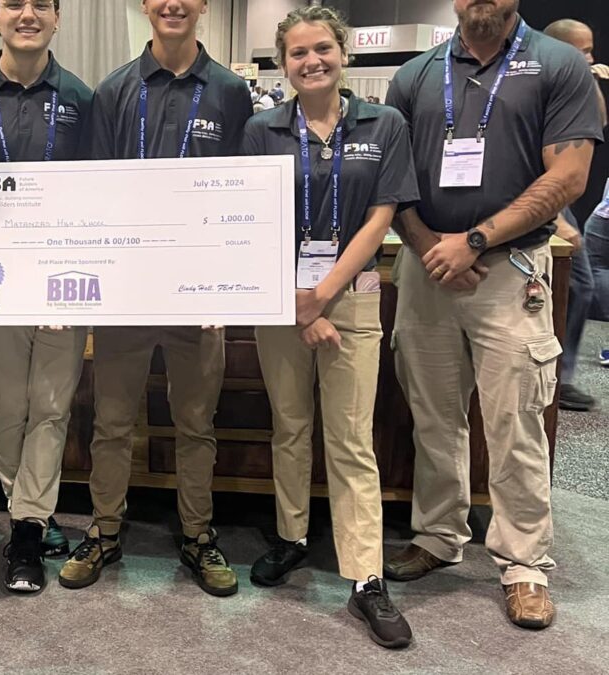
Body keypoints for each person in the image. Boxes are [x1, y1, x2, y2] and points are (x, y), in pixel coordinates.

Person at [383, 0, 602, 629]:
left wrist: (474, 241)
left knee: (515, 422)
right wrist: (431, 248)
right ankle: (438, 535)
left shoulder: (558, 65)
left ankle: (524, 564)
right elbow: (394, 176)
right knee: (432, 415)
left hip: (510, 273)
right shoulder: (417, 74)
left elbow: (570, 175)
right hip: (427, 271)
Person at [57, 0, 252, 598]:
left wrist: (231, 283)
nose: (174, 4)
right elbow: (93, 191)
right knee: (111, 421)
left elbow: (245, 191)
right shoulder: (113, 91)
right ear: (145, 5)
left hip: (199, 293)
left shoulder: (229, 91)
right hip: (127, 290)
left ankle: (197, 533)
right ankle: (106, 528)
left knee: (197, 422)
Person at [242, 5, 418, 649]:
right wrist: (296, 301)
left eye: (322, 49)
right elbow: (250, 220)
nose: (311, 61)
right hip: (278, 297)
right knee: (289, 426)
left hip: (351, 295)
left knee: (349, 438)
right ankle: (291, 536)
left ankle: (366, 575)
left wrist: (321, 296)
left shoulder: (384, 122)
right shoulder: (261, 128)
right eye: (297, 53)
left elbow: (381, 216)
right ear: (283, 62)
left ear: (342, 54)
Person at [0, 0, 89, 593]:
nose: (27, 15)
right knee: (10, 407)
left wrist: (79, 279)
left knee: (53, 406)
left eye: (41, 5)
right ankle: (26, 504)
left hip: (63, 283)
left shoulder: (82, 99)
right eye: (13, 5)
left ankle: (26, 530)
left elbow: (96, 195)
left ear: (57, 18)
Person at [543, 19, 608, 410]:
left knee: (580, 287)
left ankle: (559, 376)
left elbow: (597, 120)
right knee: (573, 285)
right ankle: (553, 377)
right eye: (582, 51)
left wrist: (590, 79)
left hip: (561, 196)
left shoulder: (574, 83)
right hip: (542, 197)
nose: (592, 57)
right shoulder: (541, 85)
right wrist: (559, 221)